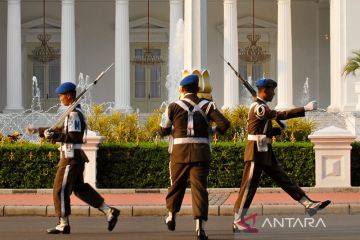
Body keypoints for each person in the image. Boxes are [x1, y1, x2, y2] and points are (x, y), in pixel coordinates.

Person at [233, 78, 331, 232]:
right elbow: (281, 114)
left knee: (284, 179)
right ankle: (238, 221)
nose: (274, 93)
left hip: (265, 151)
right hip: (255, 152)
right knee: (248, 188)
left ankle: (308, 204)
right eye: (272, 90)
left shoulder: (262, 107)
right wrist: (305, 108)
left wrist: (278, 130)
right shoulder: (259, 107)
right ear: (264, 90)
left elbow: (264, 129)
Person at [34, 82, 120, 234]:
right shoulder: (73, 111)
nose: (60, 98)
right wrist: (40, 131)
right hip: (74, 157)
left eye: (61, 96)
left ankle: (63, 222)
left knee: (59, 190)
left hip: (70, 158)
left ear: (69, 96)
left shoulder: (73, 113)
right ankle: (108, 211)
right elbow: (62, 129)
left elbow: (74, 136)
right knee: (80, 189)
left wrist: (54, 135)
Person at [159, 74, 230, 240]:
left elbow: (162, 130)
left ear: (182, 90)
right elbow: (225, 124)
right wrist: (212, 131)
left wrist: (175, 129)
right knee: (199, 189)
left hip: (179, 153)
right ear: (198, 89)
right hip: (201, 152)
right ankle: (200, 228)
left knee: (176, 185)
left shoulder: (173, 106)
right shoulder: (208, 105)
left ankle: (171, 216)